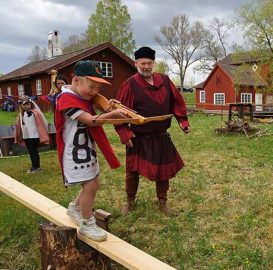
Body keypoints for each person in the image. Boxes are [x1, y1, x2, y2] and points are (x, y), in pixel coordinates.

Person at [55, 60, 127, 241]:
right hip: (74, 153)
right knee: (90, 185)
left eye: (98, 88)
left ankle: (75, 208)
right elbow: (90, 120)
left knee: (94, 182)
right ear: (76, 80)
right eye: (91, 86)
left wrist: (108, 106)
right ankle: (87, 223)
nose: (95, 92)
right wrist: (111, 115)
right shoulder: (66, 99)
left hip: (86, 149)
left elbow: (95, 110)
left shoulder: (82, 96)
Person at [115, 46, 191, 216]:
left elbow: (177, 102)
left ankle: (162, 203)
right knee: (132, 172)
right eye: (143, 63)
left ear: (154, 63)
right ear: (136, 63)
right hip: (138, 136)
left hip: (161, 136)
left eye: (149, 63)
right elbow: (118, 112)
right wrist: (124, 133)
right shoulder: (130, 84)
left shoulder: (164, 81)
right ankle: (130, 201)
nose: (146, 67)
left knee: (163, 171)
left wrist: (183, 122)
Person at [14, 96, 50, 173]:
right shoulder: (21, 115)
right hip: (27, 136)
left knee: (34, 152)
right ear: (21, 106)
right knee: (31, 152)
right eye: (24, 105)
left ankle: (37, 167)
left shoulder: (34, 113)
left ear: (31, 104)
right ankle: (34, 166)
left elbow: (41, 123)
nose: (27, 106)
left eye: (28, 104)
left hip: (34, 136)